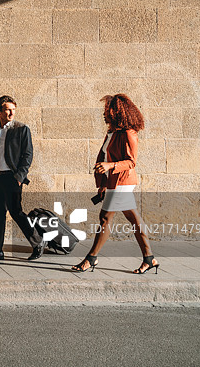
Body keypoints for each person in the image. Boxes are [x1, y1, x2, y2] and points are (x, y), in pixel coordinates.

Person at [72, 94, 159, 274]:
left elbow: (131, 162)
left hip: (123, 181)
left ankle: (91, 258)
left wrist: (110, 166)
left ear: (117, 112)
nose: (104, 114)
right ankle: (149, 258)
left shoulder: (129, 133)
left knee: (105, 218)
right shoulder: (112, 132)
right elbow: (103, 156)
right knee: (134, 219)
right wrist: (103, 182)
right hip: (113, 181)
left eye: (107, 110)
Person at [0, 95, 44, 262]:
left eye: (13, 109)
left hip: (12, 178)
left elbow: (27, 155)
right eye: (7, 109)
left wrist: (20, 176)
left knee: (16, 212)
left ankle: (37, 242)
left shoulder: (21, 129)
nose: (11, 113)